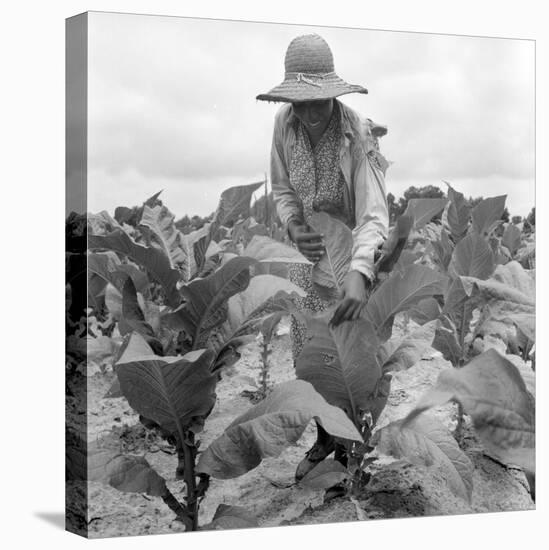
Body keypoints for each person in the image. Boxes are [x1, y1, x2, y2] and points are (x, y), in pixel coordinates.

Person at [256, 33, 390, 492]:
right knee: (309, 355)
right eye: (302, 103)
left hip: (352, 260)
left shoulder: (357, 131)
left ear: (334, 93)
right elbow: (281, 188)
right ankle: (324, 438)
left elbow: (374, 212)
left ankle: (354, 447)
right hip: (305, 259)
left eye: (320, 102)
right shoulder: (283, 123)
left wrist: (359, 271)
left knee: (354, 357)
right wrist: (293, 225)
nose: (311, 113)